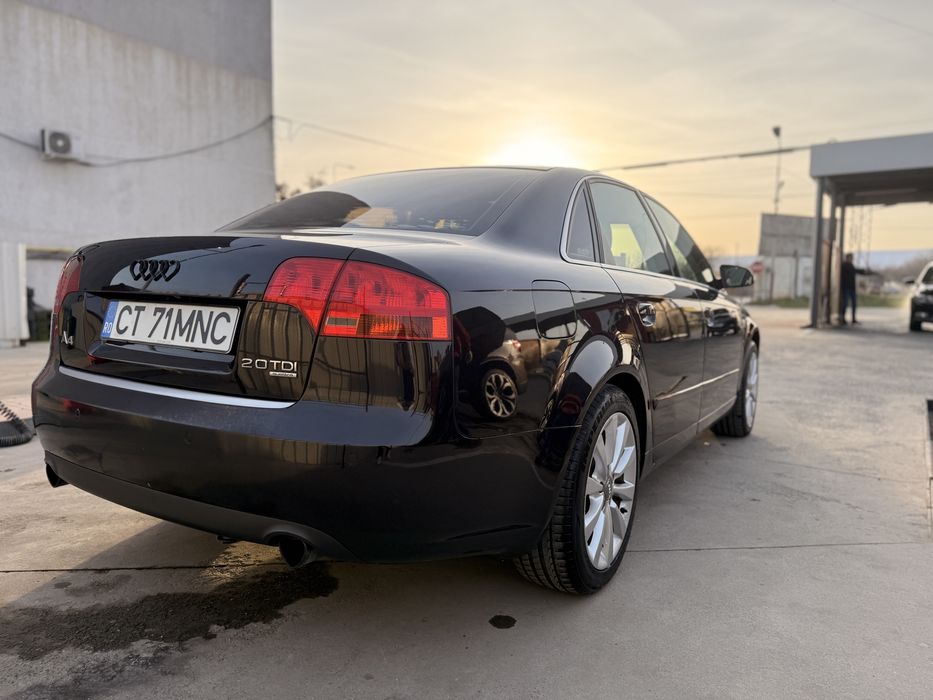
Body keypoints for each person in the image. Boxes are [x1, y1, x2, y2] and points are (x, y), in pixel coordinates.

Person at [839, 253, 872, 325]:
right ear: (847, 258)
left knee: (854, 303)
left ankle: (853, 318)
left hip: (852, 288)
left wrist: (865, 272)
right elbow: (854, 271)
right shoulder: (844, 266)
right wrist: (863, 271)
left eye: (852, 258)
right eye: (851, 258)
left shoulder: (851, 266)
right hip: (846, 288)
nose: (852, 259)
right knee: (845, 304)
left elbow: (856, 271)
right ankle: (843, 318)